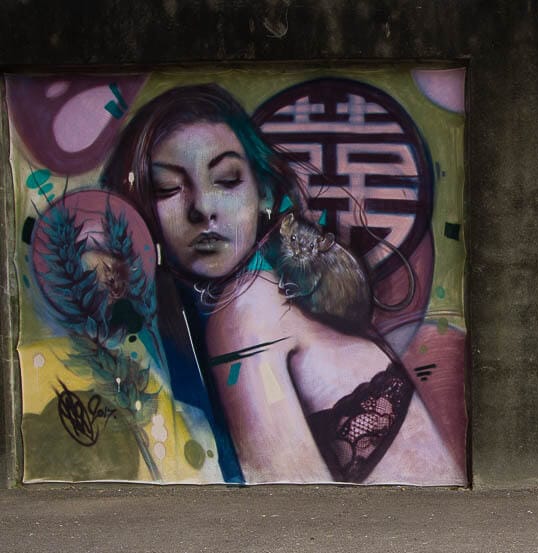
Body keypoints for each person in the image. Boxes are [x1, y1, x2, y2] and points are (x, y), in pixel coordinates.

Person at [101, 84, 461, 484]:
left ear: (264, 193)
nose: (202, 208)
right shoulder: (270, 289)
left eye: (226, 178)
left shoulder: (245, 307)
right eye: (167, 188)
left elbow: (288, 505)